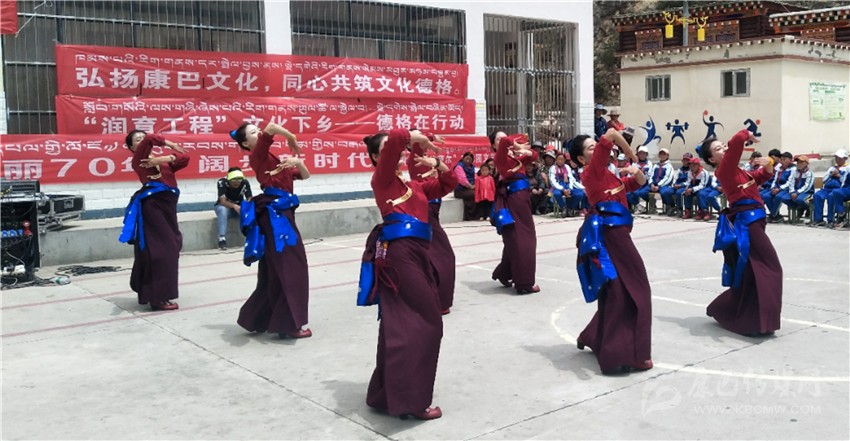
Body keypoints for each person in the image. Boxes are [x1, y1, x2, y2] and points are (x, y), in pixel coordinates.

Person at [360, 128, 456, 421]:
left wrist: (436, 163)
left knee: (400, 324)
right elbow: (396, 141)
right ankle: (410, 401)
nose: (395, 152)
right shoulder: (382, 180)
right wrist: (414, 138)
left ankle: (385, 395)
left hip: (418, 254)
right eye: (385, 150)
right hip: (399, 255)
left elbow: (449, 183)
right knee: (426, 322)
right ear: (376, 157)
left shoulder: (413, 186)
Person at [570, 128, 652, 374]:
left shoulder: (609, 175)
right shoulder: (591, 172)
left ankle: (593, 335)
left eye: (596, 145)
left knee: (617, 291)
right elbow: (611, 134)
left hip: (619, 235)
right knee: (636, 289)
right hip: (609, 236)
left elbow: (638, 184)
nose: (597, 148)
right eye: (591, 147)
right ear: (582, 159)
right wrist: (631, 154)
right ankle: (623, 354)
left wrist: (637, 172)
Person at [231, 122, 313, 339]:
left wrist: (298, 162)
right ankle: (288, 324)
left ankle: (257, 318)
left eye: (256, 130)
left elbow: (305, 175)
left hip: (282, 213)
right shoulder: (257, 155)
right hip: (276, 217)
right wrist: (291, 136)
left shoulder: (273, 160)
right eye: (252, 132)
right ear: (246, 144)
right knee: (291, 266)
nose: (258, 132)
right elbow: (271, 127)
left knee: (274, 269)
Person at [700, 130, 781, 337]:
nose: (724, 148)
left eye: (723, 146)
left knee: (753, 271)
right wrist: (747, 134)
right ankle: (757, 321)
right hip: (747, 224)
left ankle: (743, 317)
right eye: (718, 148)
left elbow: (762, 176)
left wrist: (769, 162)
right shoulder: (724, 170)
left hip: (755, 221)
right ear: (712, 159)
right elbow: (736, 142)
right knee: (770, 267)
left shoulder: (739, 171)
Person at [119, 130, 189, 311]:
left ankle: (152, 290)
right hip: (153, 208)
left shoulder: (161, 162)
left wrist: (165, 158)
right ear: (132, 147)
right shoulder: (139, 160)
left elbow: (185, 158)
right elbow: (150, 139)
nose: (142, 140)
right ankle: (158, 298)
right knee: (161, 250)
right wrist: (170, 144)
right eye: (137, 140)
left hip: (168, 208)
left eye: (142, 138)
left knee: (173, 245)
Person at [407, 133, 456, 315]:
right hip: (424, 214)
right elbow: (418, 143)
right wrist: (430, 136)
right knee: (443, 256)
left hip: (432, 214)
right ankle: (437, 300)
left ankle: (433, 297)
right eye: (420, 140)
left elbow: (448, 180)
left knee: (433, 256)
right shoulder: (415, 159)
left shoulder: (427, 161)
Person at [491, 133, 540, 294]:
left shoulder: (516, 157)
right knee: (523, 238)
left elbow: (534, 155)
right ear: (494, 145)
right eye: (498, 139)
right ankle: (524, 282)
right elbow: (506, 141)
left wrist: (524, 151)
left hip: (522, 198)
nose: (503, 140)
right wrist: (518, 145)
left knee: (514, 237)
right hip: (514, 199)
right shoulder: (500, 158)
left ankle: (505, 273)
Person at [214, 167, 253, 250]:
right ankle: (222, 238)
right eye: (234, 180)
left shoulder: (244, 182)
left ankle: (251, 237)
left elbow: (249, 198)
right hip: (226, 207)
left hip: (239, 208)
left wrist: (247, 207)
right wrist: (234, 206)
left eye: (239, 180)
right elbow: (222, 201)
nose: (236, 182)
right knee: (222, 210)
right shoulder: (222, 182)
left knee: (252, 210)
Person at [812, 150, 849, 227]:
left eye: (840, 158)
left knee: (831, 197)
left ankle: (830, 220)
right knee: (817, 195)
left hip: (838, 188)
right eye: (836, 158)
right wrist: (830, 174)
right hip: (827, 188)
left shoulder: (847, 168)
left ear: (845, 158)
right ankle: (818, 219)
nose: (837, 160)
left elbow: (845, 182)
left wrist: (839, 176)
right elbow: (824, 180)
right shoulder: (832, 168)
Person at [763, 151, 795, 222]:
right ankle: (776, 215)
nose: (781, 161)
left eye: (784, 159)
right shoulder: (779, 168)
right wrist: (773, 187)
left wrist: (779, 189)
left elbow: (789, 182)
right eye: (781, 159)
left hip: (785, 189)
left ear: (790, 160)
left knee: (778, 197)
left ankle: (773, 215)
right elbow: (775, 180)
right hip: (776, 187)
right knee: (766, 196)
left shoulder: (793, 169)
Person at [780, 155, 814, 221]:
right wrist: (792, 192)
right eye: (798, 162)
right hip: (795, 192)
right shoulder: (795, 172)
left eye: (801, 162)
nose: (799, 164)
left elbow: (807, 186)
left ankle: (805, 208)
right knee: (784, 198)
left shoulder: (809, 173)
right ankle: (798, 208)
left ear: (806, 163)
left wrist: (797, 193)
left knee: (800, 199)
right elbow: (791, 183)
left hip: (807, 193)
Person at [549, 152, 580, 217]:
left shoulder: (567, 167)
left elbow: (571, 178)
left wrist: (570, 188)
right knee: (556, 194)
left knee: (579, 194)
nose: (560, 161)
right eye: (558, 159)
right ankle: (563, 208)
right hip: (558, 185)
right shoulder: (553, 168)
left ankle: (570, 208)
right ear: (556, 159)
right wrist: (562, 189)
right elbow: (553, 181)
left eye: (562, 159)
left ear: (565, 160)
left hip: (568, 185)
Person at [646, 148, 674, 215]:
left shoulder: (669, 166)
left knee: (664, 192)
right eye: (661, 154)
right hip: (654, 184)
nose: (662, 156)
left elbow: (667, 178)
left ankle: (670, 206)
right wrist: (651, 184)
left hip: (664, 185)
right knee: (642, 192)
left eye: (664, 154)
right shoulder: (656, 165)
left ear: (667, 156)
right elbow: (651, 175)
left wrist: (659, 185)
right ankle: (652, 204)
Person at [626, 146, 653, 212]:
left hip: (645, 183)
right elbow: (631, 173)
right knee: (627, 194)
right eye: (640, 153)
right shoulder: (635, 163)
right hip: (636, 182)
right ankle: (639, 206)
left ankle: (651, 202)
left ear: (646, 154)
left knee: (638, 193)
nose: (642, 155)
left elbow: (650, 175)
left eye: (643, 153)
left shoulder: (649, 164)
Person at [452, 152, 476, 221]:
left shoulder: (472, 167)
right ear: (463, 158)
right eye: (466, 158)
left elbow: (476, 177)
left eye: (470, 159)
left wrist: (476, 185)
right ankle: (469, 216)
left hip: (470, 188)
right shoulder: (459, 167)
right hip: (460, 190)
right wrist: (471, 186)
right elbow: (462, 180)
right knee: (473, 194)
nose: (468, 161)